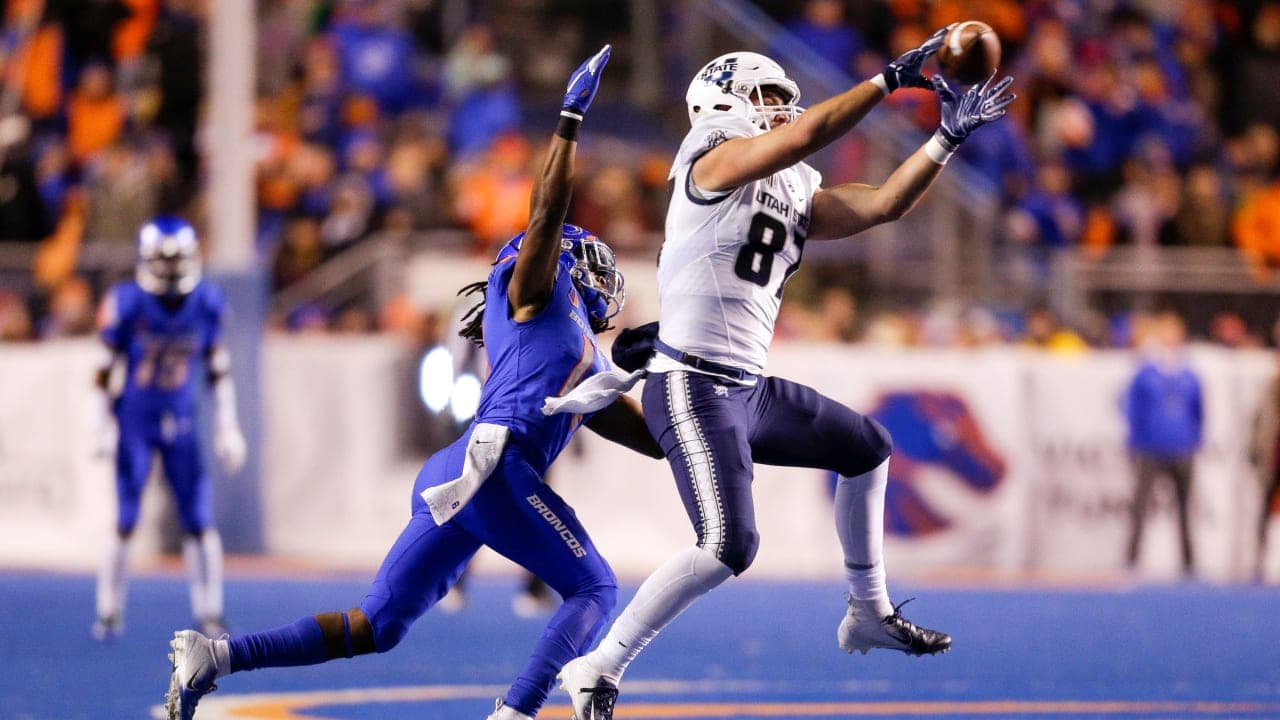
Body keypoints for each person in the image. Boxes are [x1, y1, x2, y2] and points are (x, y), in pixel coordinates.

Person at [165, 46, 663, 720]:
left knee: (377, 626)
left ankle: (217, 657)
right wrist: (569, 119)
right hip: (497, 462)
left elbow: (654, 438)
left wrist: (667, 369)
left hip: (464, 466)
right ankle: (517, 712)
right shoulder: (537, 298)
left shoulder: (583, 354)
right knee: (595, 590)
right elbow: (546, 212)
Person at [553, 39, 1016, 719]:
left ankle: (868, 610)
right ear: (722, 102)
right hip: (691, 384)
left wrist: (944, 140)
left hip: (749, 388)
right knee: (728, 546)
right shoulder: (708, 156)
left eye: (782, 98)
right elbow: (804, 135)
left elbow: (883, 204)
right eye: (765, 96)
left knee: (867, 447)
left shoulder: (791, 185)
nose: (779, 108)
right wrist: (887, 81)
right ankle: (599, 665)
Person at [93, 216, 248, 641]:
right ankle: (108, 610)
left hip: (181, 421)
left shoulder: (206, 301)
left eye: (178, 260)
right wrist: (99, 424)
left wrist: (228, 426)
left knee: (199, 519)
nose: (173, 269)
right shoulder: (128, 302)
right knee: (126, 518)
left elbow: (218, 370)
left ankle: (210, 611)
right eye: (166, 260)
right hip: (136, 422)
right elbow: (103, 372)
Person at [1123, 311, 1202, 577]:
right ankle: (1131, 559)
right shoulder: (1145, 372)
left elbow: (1198, 411)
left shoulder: (1189, 374)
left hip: (1182, 448)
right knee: (1140, 506)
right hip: (1150, 448)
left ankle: (1189, 562)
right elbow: (1134, 409)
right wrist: (1135, 442)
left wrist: (1194, 440)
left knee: (1185, 508)